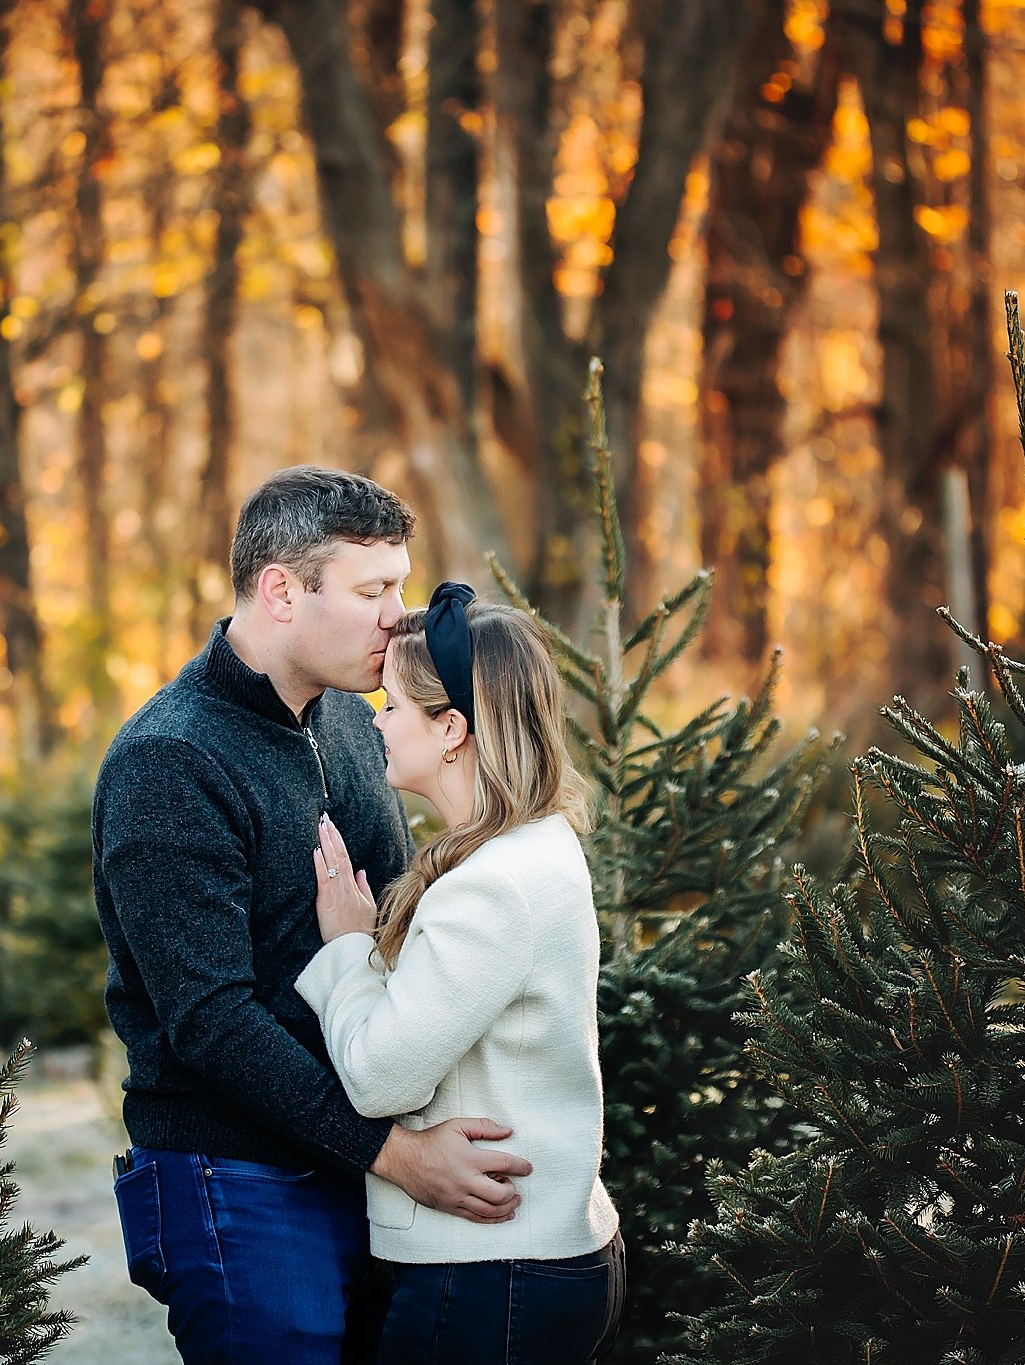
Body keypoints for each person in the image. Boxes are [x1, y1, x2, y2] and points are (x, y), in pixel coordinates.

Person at [94, 468, 536, 1365]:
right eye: (374, 590)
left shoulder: (348, 717)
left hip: (355, 1159)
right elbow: (211, 1021)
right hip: (236, 1177)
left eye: (402, 587)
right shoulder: (168, 761)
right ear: (281, 591)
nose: (398, 618)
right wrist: (397, 1155)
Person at [298, 582, 626, 1364]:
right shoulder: (535, 845)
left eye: (393, 706)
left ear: (451, 728)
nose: (375, 722)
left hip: (489, 1274)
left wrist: (347, 944)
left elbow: (381, 1078)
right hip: (532, 1261)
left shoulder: (491, 884)